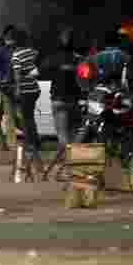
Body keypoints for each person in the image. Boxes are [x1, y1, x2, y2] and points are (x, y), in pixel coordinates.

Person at [40, 27, 82, 179]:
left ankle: (68, 170)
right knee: (73, 135)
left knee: (63, 137)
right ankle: (70, 168)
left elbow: (41, 68)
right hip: (74, 101)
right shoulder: (78, 59)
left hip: (59, 100)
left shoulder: (53, 58)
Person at [3, 28, 43, 174]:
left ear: (14, 41)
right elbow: (38, 62)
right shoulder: (32, 52)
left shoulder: (16, 56)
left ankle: (31, 143)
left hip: (25, 91)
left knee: (26, 119)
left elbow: (17, 75)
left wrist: (17, 91)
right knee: (29, 117)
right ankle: (33, 141)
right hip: (34, 90)